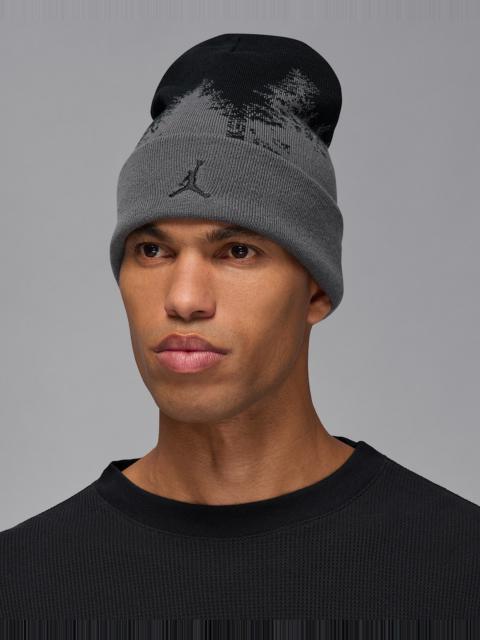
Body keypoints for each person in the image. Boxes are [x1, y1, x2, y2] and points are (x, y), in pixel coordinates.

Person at [1, 32, 479, 623]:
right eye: (152, 250)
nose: (184, 299)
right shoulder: (19, 584)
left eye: (237, 251)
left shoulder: (460, 568)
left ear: (316, 289)